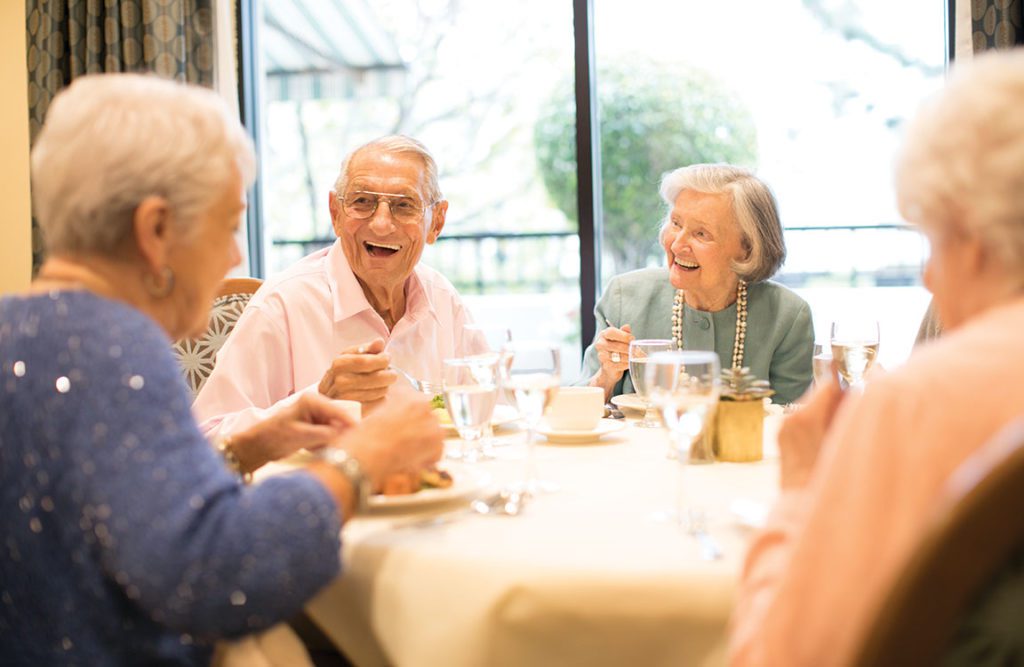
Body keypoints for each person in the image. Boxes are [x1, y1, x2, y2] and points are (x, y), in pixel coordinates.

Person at [0, 74, 444, 666]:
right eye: (230, 223)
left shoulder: (23, 330)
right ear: (157, 231)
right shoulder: (117, 351)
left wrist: (248, 446)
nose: (237, 255)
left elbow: (139, 512)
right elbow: (216, 578)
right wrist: (359, 464)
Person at [729, 49, 1024, 666]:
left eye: (931, 240)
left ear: (970, 235)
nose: (928, 279)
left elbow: (779, 659)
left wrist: (802, 489)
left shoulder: (921, 404)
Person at [193, 135, 480, 439]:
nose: (381, 223)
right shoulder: (283, 304)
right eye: (362, 202)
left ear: (436, 221)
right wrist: (320, 399)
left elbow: (486, 411)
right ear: (336, 213)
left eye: (404, 205)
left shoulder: (444, 300)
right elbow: (208, 438)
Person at [578, 164, 813, 404]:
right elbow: (574, 411)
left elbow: (797, 426)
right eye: (676, 223)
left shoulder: (788, 316)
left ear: (747, 249)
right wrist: (605, 377)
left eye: (701, 234)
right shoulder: (623, 297)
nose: (677, 245)